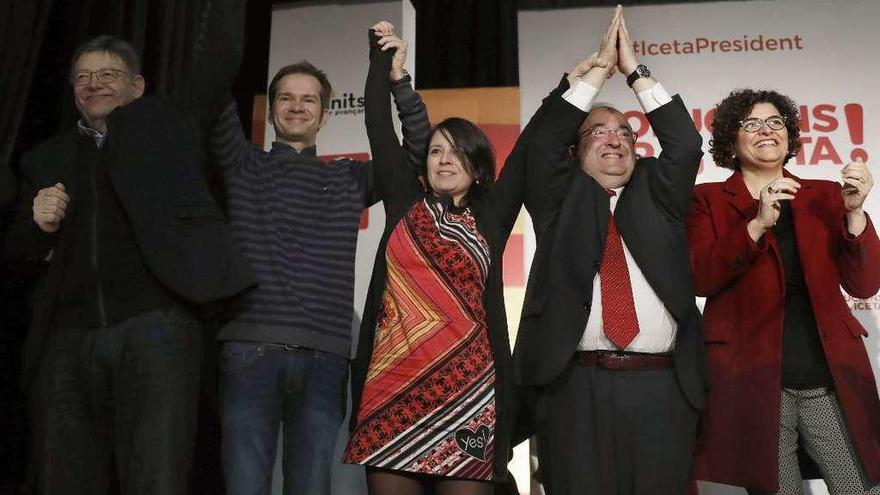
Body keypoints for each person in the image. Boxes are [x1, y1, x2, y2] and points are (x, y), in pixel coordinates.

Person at [4, 35, 255, 494]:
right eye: (82, 77)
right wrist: (37, 226)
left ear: (137, 86)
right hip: (66, 341)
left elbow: (217, 63)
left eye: (107, 74)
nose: (93, 84)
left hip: (155, 330)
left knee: (156, 480)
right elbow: (16, 258)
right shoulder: (46, 159)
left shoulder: (167, 127)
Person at [208, 30, 429, 495]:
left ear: (324, 114)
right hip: (250, 352)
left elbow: (415, 157)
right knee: (244, 487)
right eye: (285, 98)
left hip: (326, 358)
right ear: (270, 111)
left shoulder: (348, 178)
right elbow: (211, 85)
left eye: (308, 100)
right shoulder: (242, 163)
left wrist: (397, 79)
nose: (296, 106)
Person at [343, 20, 552, 494]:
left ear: (477, 168)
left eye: (456, 153)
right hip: (392, 390)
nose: (442, 160)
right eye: (436, 151)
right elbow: (377, 121)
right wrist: (384, 60)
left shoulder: (492, 216)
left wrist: (577, 83)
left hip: (468, 395)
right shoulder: (404, 200)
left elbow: (533, 142)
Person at [512, 7, 707, 494]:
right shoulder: (557, 196)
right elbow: (540, 146)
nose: (615, 140)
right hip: (574, 386)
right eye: (598, 132)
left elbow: (683, 145)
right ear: (576, 153)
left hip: (662, 386)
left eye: (624, 132)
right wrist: (597, 74)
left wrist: (635, 73)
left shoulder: (658, 192)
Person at [688, 89, 880, 494]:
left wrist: (856, 213)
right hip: (754, 380)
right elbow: (701, 278)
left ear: (789, 135)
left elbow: (864, 284)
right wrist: (756, 225)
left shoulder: (826, 194)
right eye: (751, 124)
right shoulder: (708, 199)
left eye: (775, 122)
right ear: (731, 141)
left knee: (861, 487)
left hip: (826, 375)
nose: (766, 131)